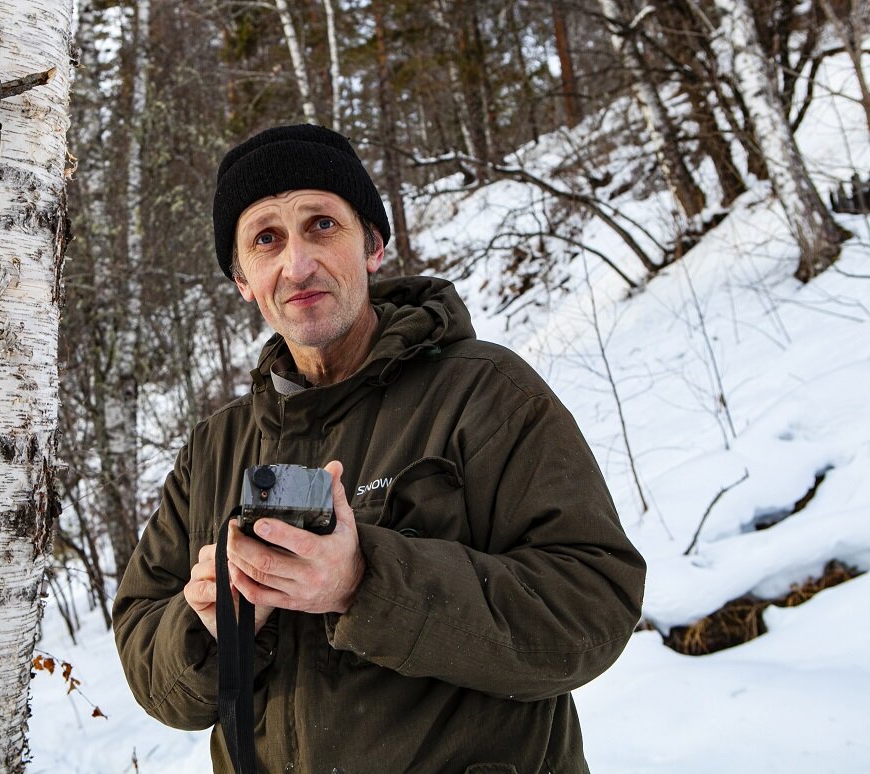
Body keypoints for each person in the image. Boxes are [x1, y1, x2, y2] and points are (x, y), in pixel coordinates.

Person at [112, 123, 646, 774]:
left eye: (321, 225)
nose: (297, 264)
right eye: (266, 239)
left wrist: (364, 583)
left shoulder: (483, 392)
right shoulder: (215, 448)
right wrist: (209, 627)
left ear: (373, 247)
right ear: (242, 280)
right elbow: (147, 660)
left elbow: (592, 609)